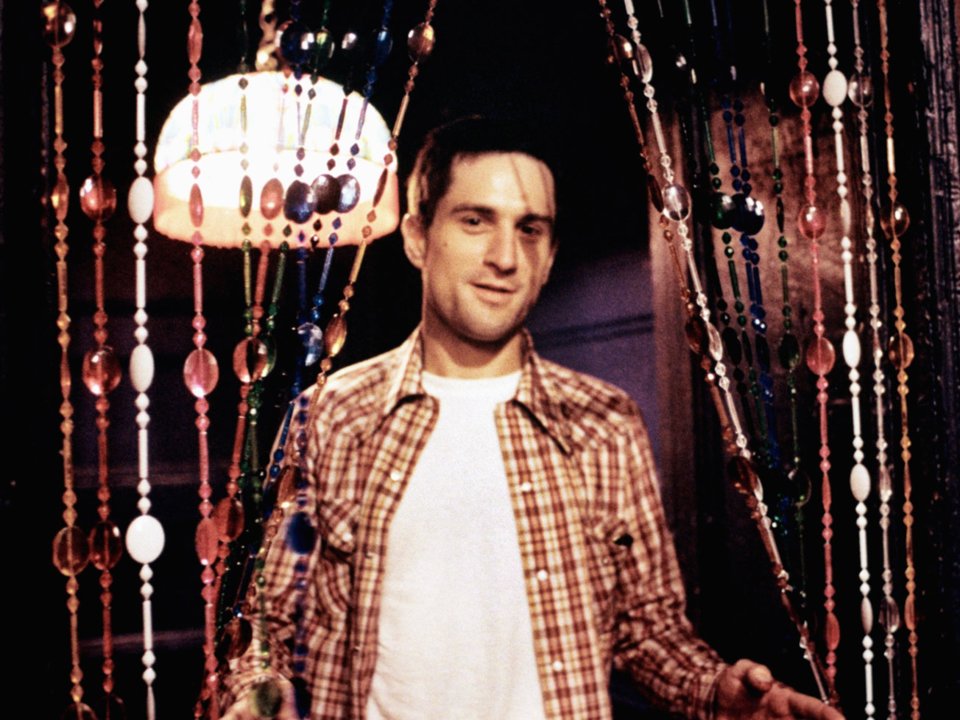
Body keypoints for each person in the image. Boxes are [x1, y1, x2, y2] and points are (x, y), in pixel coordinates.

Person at [222, 117, 844, 720]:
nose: (505, 257)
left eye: (530, 229)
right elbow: (265, 626)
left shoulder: (604, 424)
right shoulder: (331, 416)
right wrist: (256, 699)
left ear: (549, 256)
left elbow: (648, 632)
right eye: (475, 220)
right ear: (416, 237)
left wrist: (718, 695)